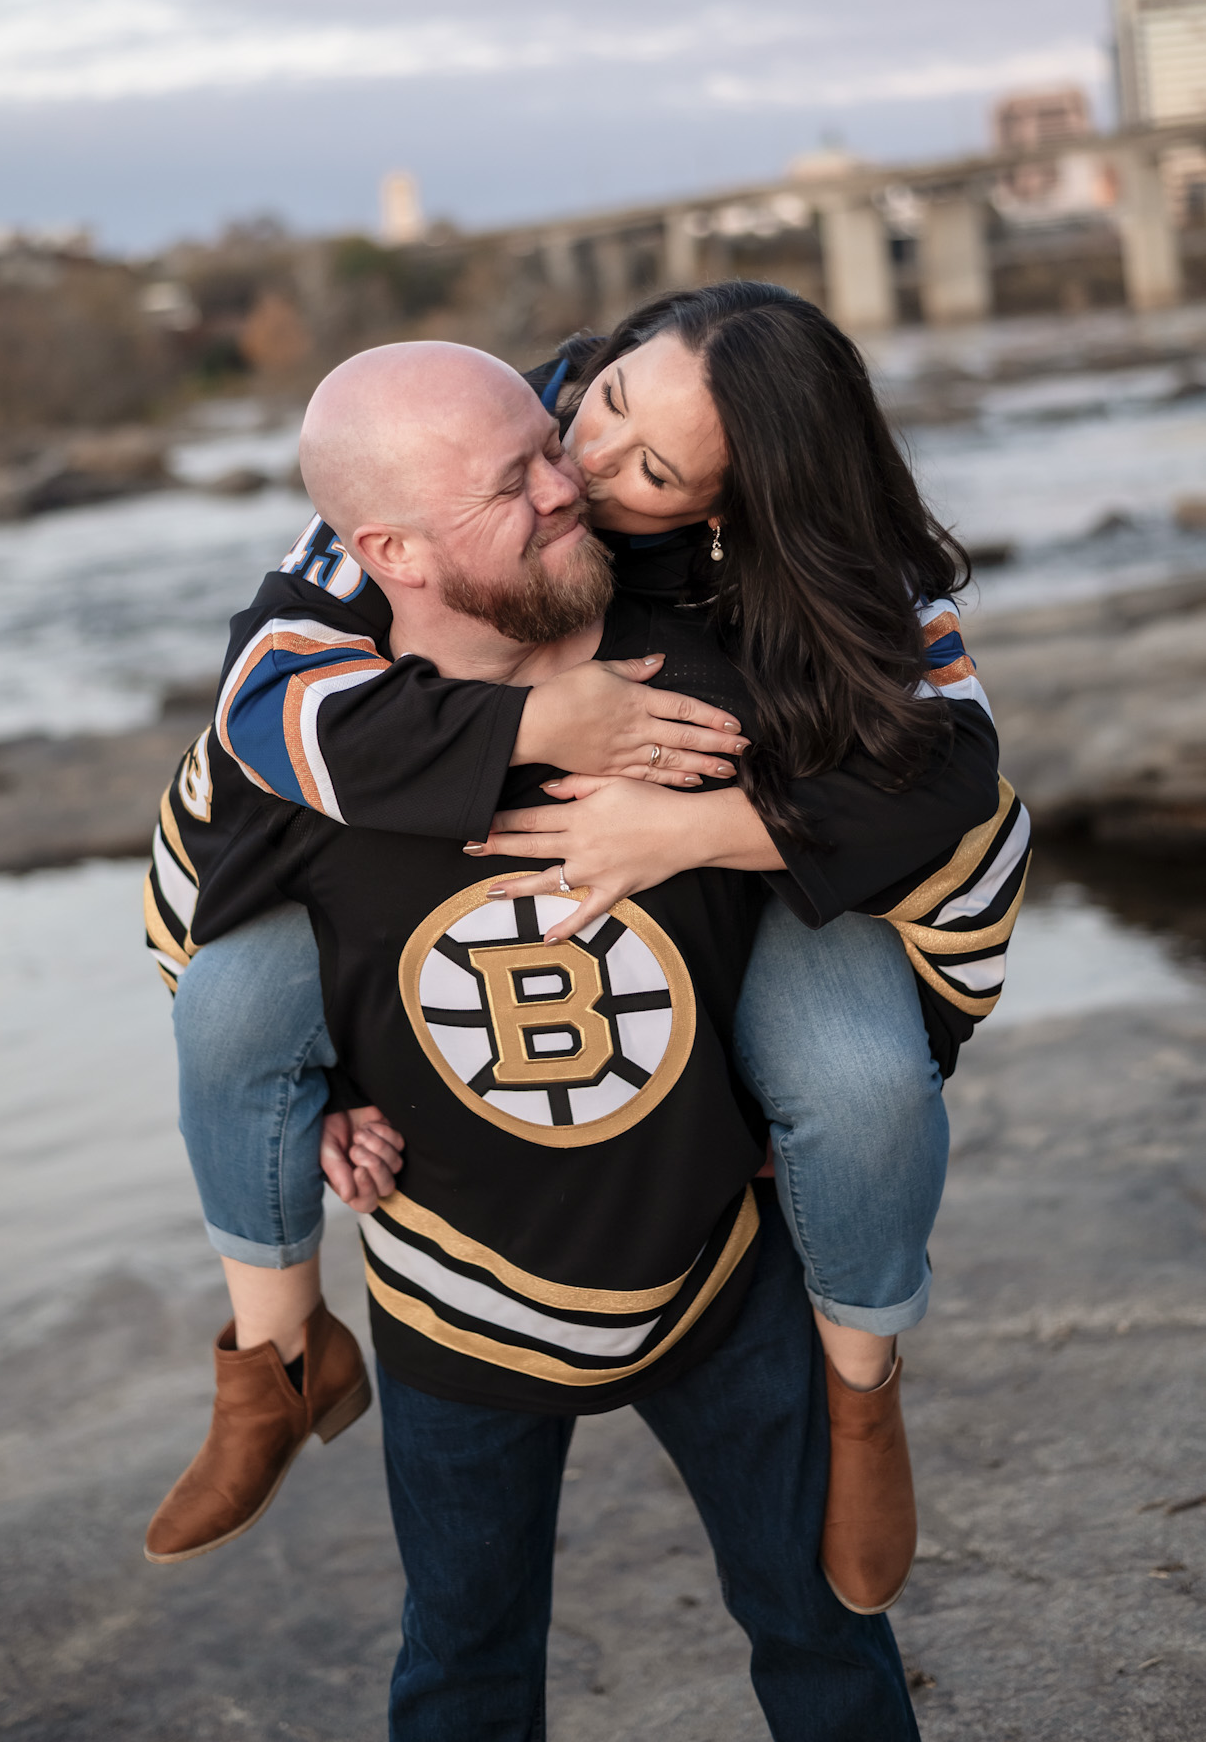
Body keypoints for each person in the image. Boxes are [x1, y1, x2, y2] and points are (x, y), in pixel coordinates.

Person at [143, 286, 1027, 1609]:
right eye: (601, 407)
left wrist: (699, 830)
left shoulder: (816, 567)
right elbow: (265, 695)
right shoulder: (482, 437)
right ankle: (271, 1353)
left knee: (861, 1082)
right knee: (230, 1003)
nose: (588, 474)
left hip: (759, 857)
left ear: (733, 507)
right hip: (463, 1228)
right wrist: (541, 730)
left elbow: (953, 773)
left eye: (655, 471)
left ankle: (863, 1393)